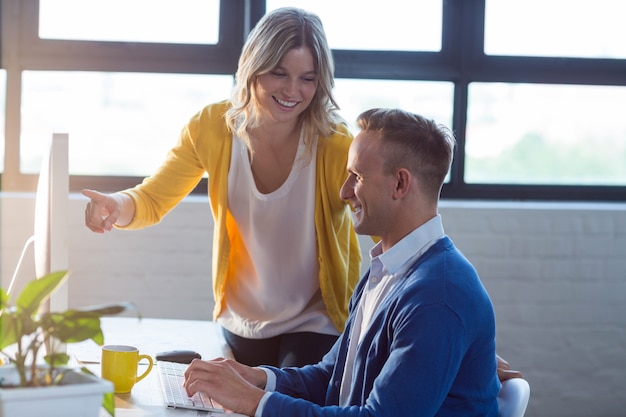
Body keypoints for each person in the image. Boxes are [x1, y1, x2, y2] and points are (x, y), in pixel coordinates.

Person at [82, 7, 361, 368]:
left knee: (288, 401)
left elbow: (376, 208)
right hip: (243, 317)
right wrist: (116, 206)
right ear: (253, 66)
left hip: (317, 316)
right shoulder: (212, 128)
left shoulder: (334, 143)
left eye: (307, 78)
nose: (293, 91)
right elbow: (152, 198)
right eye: (279, 73)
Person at [182, 108, 501, 416]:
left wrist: (253, 402)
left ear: (400, 184)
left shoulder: (438, 297)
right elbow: (331, 376)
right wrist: (257, 379)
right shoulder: (388, 271)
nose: (344, 191)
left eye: (357, 176)